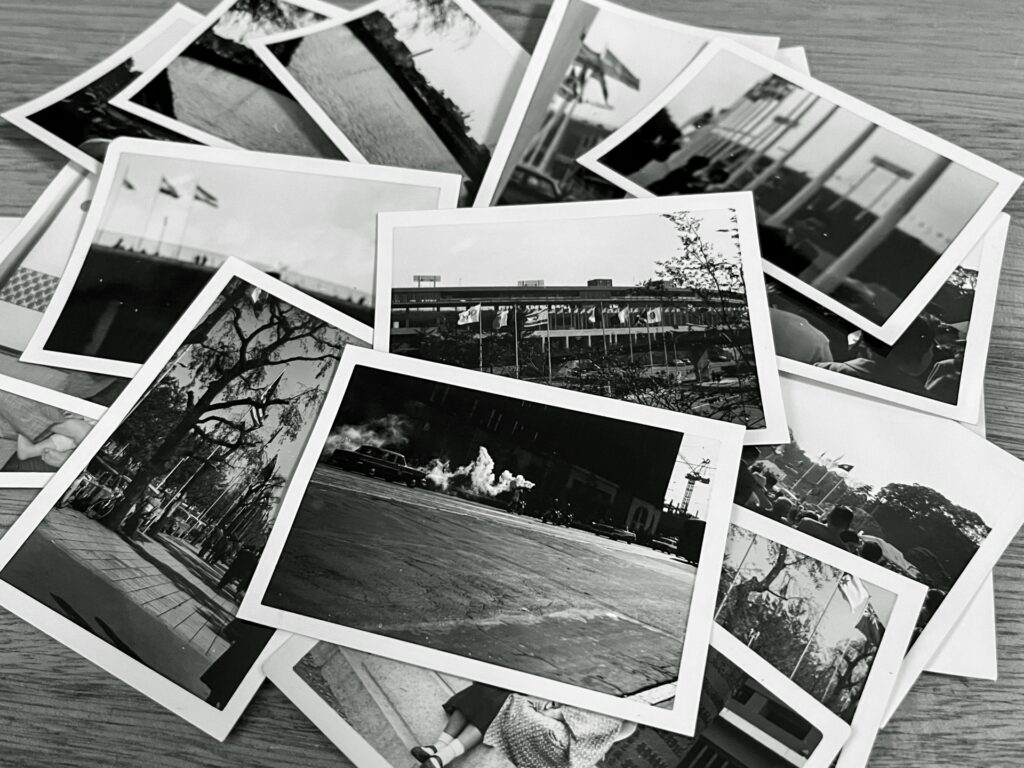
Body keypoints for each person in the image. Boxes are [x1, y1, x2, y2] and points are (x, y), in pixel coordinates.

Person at [815, 317, 936, 394]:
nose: (932, 354)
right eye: (931, 348)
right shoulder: (920, 399)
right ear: (917, 353)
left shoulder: (824, 369)